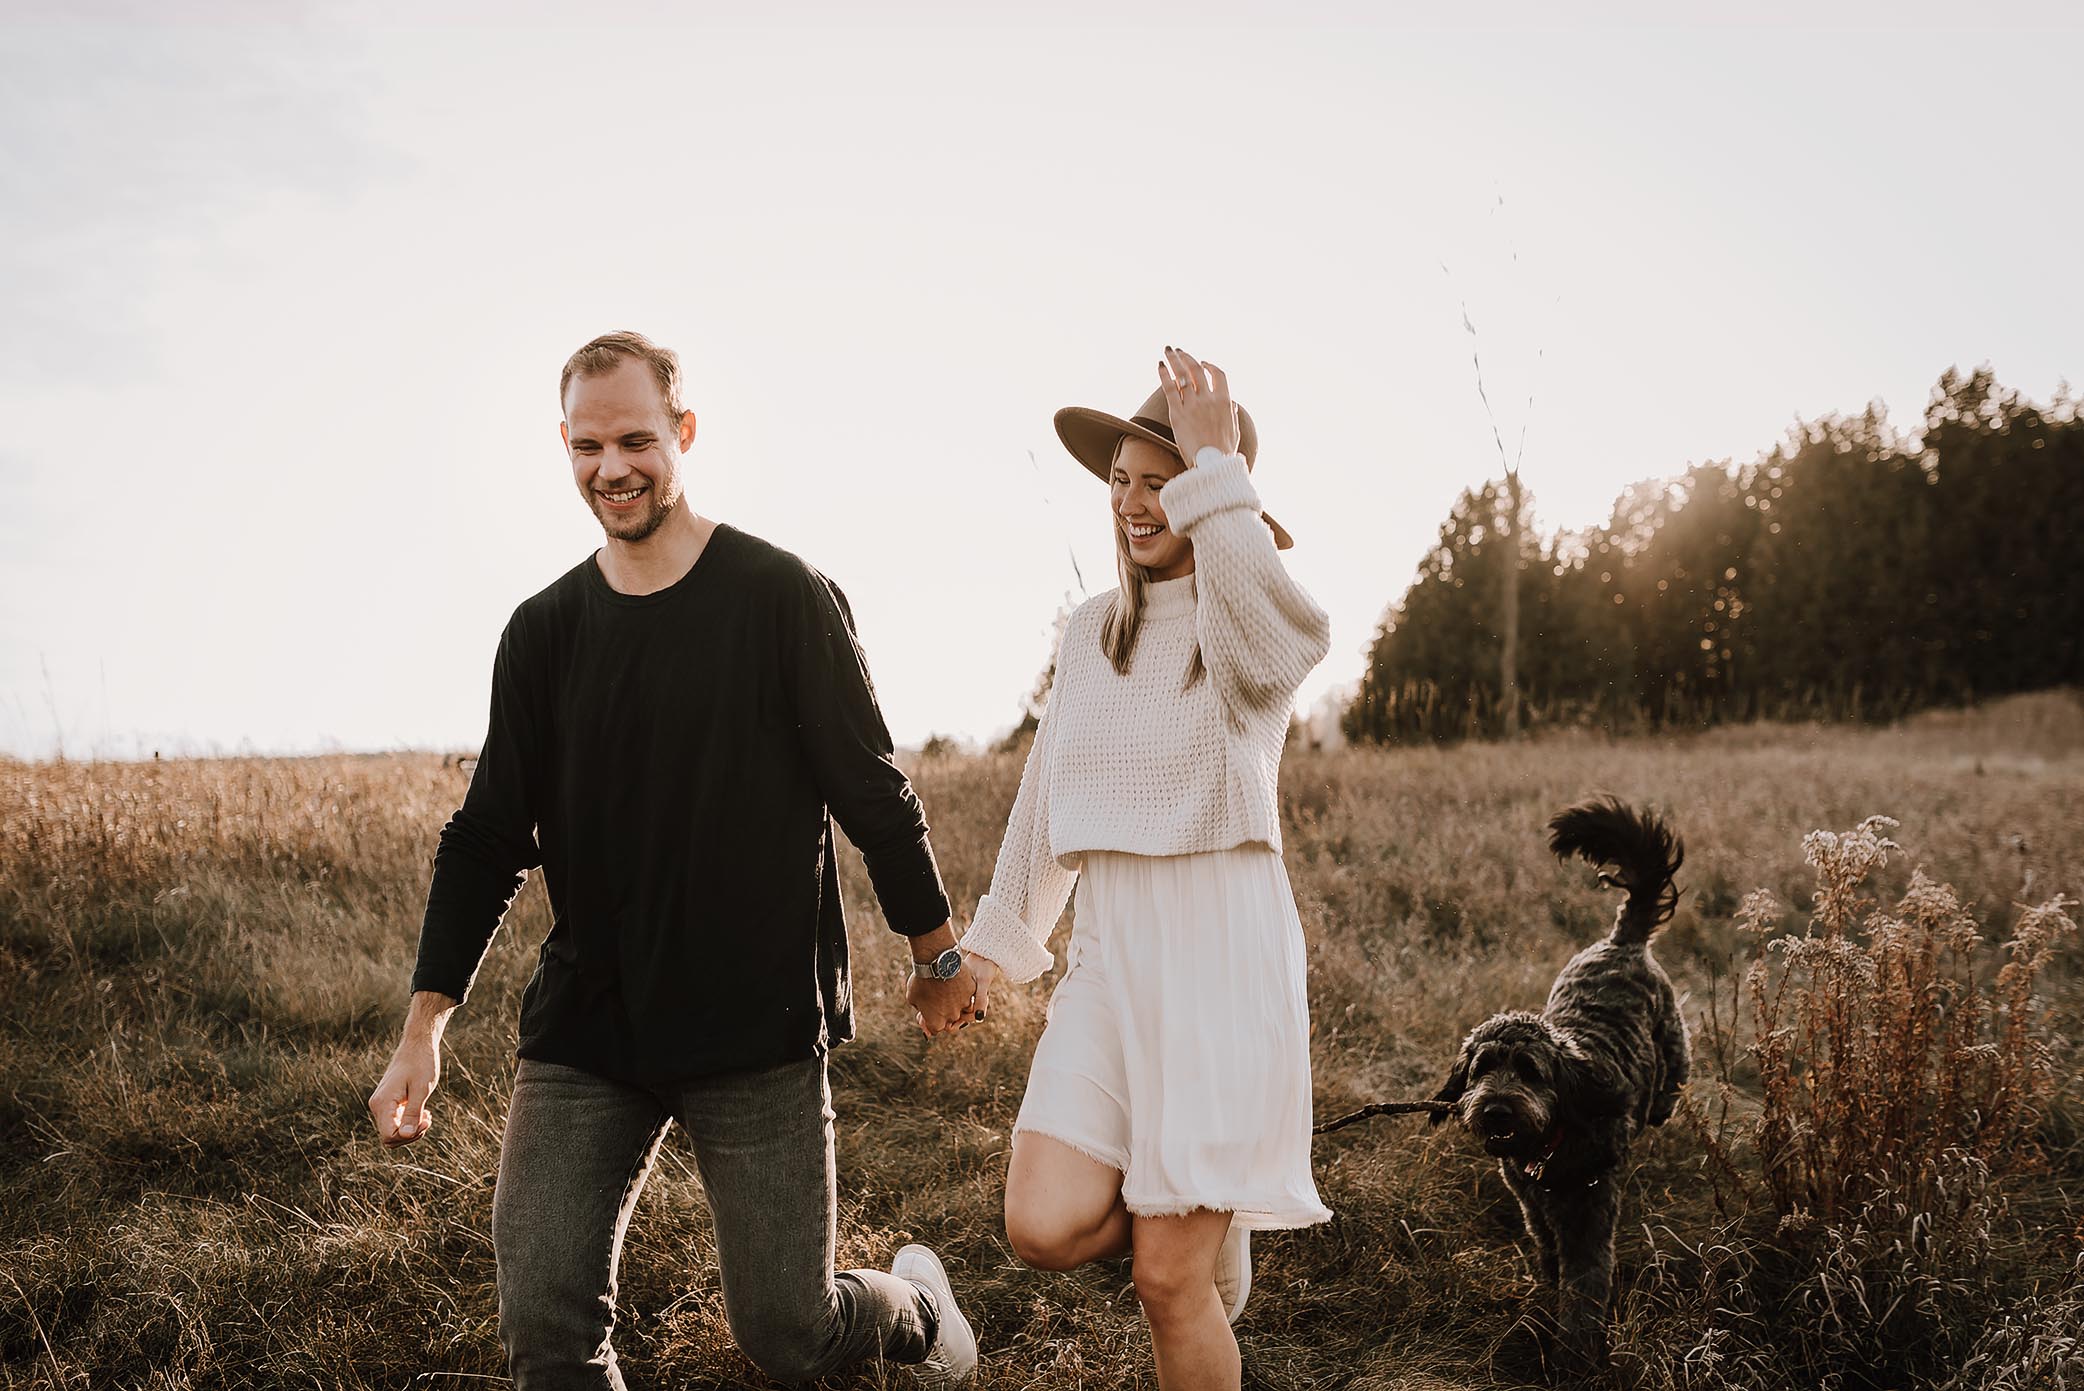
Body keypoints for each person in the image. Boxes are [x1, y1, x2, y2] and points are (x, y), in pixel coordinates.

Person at [366, 331, 981, 1390]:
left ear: (683, 433)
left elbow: (869, 784)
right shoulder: (543, 632)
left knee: (784, 1329)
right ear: (563, 446)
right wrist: (424, 1023)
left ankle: (917, 1310)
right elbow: (484, 837)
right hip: (592, 1022)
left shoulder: (781, 595)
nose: (615, 468)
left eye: (638, 439)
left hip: (755, 1025)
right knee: (547, 1332)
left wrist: (935, 955)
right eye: (590, 445)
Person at [941, 347, 1332, 1391]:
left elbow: (1289, 644)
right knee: (1040, 1221)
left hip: (1220, 954)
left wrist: (1215, 469)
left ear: (1212, 494)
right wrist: (986, 947)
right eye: (1120, 479)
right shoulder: (1089, 632)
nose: (1132, 502)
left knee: (1165, 1281)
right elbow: (1044, 795)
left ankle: (1193, 1235)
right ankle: (1205, 1214)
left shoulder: (1240, 626)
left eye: (1159, 480)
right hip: (1110, 955)